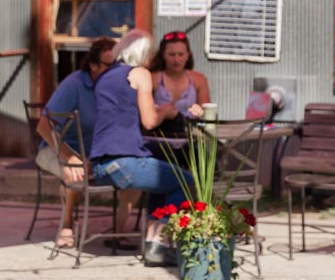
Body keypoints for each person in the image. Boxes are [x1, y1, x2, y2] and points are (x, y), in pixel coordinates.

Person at [89, 29, 194, 266]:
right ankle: (159, 244)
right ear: (145, 55)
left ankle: (153, 242)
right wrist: (165, 112)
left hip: (100, 164)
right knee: (186, 181)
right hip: (124, 161)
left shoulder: (106, 76)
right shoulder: (140, 73)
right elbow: (149, 121)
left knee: (161, 180)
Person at [36, 36, 138, 249]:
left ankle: (118, 232)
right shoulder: (74, 84)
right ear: (93, 65)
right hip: (57, 148)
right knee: (75, 170)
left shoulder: (120, 85)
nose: (115, 71)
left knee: (137, 172)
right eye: (109, 66)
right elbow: (43, 127)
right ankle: (67, 225)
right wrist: (69, 156)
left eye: (118, 66)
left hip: (97, 152)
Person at [149, 31, 210, 136]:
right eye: (172, 55)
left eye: (181, 54)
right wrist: (162, 113)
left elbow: (208, 114)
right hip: (159, 136)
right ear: (163, 55)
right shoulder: (152, 79)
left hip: (189, 137)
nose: (176, 60)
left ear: (188, 55)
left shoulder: (199, 80)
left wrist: (200, 112)